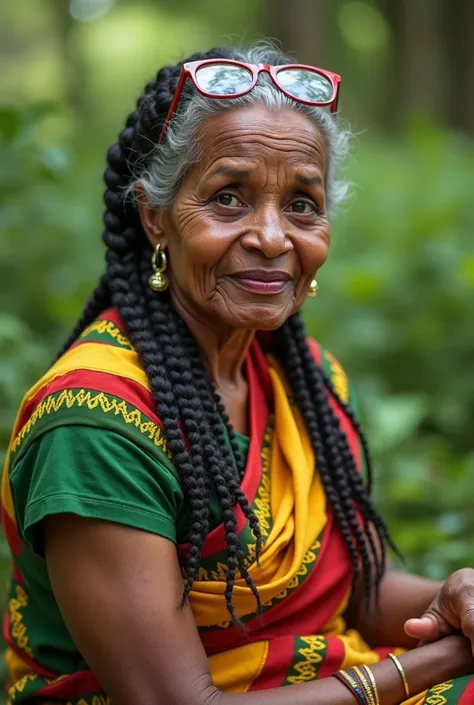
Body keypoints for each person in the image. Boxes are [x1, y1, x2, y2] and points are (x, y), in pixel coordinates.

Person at [2, 42, 473, 705]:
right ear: (156, 217)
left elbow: (363, 590)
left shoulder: (306, 377)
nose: (274, 237)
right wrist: (429, 664)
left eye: (303, 205)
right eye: (229, 198)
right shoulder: (94, 425)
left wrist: (452, 595)